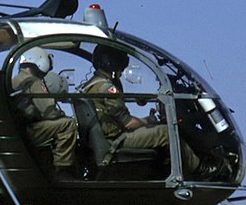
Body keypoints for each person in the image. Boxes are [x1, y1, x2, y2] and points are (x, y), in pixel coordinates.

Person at [79, 46, 202, 176]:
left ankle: (162, 171)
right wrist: (149, 120)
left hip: (105, 138)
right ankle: (198, 169)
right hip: (115, 141)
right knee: (165, 132)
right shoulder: (108, 88)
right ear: (114, 63)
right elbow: (128, 123)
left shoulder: (91, 85)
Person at [11, 49, 78, 179]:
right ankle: (62, 170)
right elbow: (49, 112)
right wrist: (61, 114)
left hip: (18, 129)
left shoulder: (14, 80)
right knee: (68, 124)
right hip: (30, 131)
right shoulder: (33, 82)